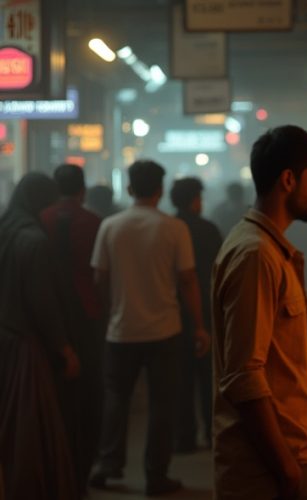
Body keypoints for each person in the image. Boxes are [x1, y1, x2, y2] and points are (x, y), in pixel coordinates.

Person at [212, 125, 307, 500]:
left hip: (288, 457)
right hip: (269, 471)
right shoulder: (256, 256)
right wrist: (287, 468)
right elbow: (245, 376)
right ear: (288, 180)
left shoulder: (267, 250)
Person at [89, 160, 210, 496]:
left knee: (116, 398)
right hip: (165, 331)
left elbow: (99, 277)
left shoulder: (110, 227)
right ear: (160, 190)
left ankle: (108, 463)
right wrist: (199, 327)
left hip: (121, 330)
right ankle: (156, 475)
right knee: (162, 403)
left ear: (129, 189)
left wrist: (112, 307)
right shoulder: (174, 228)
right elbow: (188, 281)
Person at [0, 172, 80, 500]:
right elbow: (43, 303)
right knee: (29, 429)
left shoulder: (6, 229)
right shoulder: (34, 240)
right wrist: (64, 348)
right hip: (24, 344)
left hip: (5, 336)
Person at [39, 164, 105, 495]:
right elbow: (100, 274)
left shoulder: (42, 219)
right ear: (83, 190)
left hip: (50, 319)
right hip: (88, 318)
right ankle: (79, 471)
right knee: (87, 399)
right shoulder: (93, 222)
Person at [169, 178, 224, 453]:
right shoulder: (207, 229)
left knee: (180, 379)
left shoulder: (167, 229)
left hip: (174, 314)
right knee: (207, 378)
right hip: (205, 309)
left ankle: (185, 436)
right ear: (194, 200)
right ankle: (212, 433)